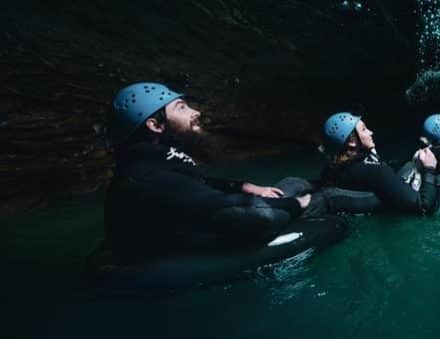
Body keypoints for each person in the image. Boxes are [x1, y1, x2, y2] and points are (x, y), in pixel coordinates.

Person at [104, 82, 314, 263]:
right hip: (165, 248)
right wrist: (297, 204)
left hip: (192, 219)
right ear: (156, 125)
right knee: (262, 214)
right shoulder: (145, 173)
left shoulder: (159, 156)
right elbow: (222, 203)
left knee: (293, 182)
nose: (196, 112)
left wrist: (245, 186)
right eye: (182, 107)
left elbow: (197, 183)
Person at [319, 112, 439, 215]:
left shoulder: (331, 169)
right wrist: (430, 168)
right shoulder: (376, 172)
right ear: (352, 142)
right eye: (364, 129)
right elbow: (424, 207)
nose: (371, 132)